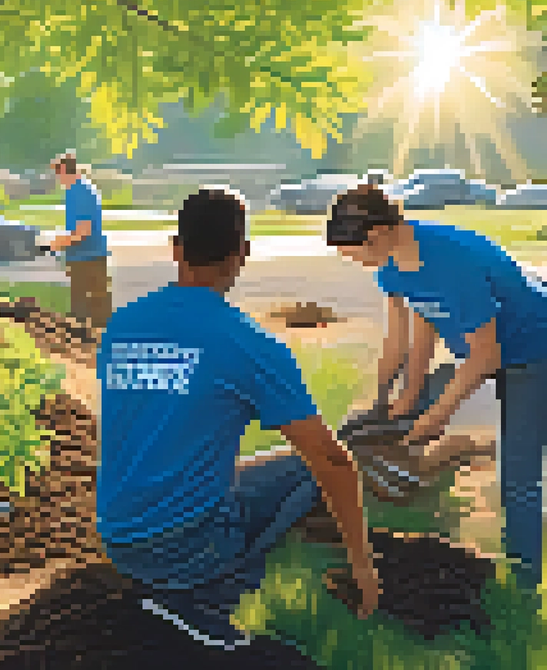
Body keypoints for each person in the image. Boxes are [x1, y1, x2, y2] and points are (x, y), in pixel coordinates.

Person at [97, 187, 378, 650]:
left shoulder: (123, 324)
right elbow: (331, 460)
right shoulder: (247, 342)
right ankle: (213, 596)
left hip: (118, 533)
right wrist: (363, 566)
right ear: (242, 253)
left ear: (176, 249)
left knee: (268, 465)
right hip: (184, 548)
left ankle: (169, 590)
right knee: (315, 467)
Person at [327, 184, 547, 596]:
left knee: (519, 477)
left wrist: (435, 417)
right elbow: (411, 338)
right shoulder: (392, 265)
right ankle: (415, 510)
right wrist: (391, 400)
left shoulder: (451, 263)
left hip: (533, 352)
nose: (351, 261)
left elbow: (486, 356)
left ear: (373, 235)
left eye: (350, 251)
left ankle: (525, 587)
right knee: (389, 420)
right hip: (486, 350)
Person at [46, 152, 112, 329]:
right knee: (89, 313)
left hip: (88, 259)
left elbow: (83, 231)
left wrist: (56, 243)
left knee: (86, 316)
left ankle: (90, 352)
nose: (57, 180)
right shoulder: (78, 189)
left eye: (58, 174)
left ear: (65, 171)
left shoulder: (80, 192)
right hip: (85, 257)